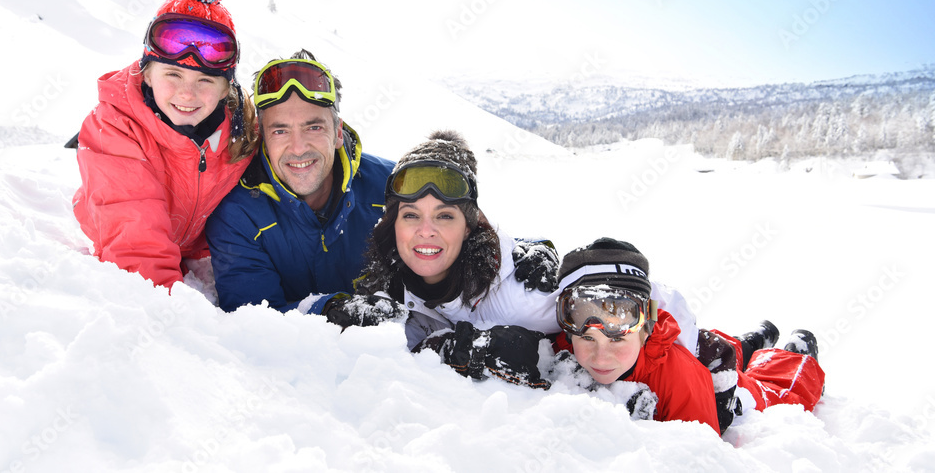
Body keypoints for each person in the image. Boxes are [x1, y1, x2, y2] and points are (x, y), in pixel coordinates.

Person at [326, 130, 699, 391]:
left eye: (444, 216)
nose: (425, 231)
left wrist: (697, 357)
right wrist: (330, 310)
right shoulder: (390, 283)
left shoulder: (527, 295)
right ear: (393, 225)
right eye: (410, 215)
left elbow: (652, 301)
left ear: (471, 226)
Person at [72, 0, 260, 292]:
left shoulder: (241, 132)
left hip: (196, 250)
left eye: (206, 80)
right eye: (172, 74)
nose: (187, 93)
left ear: (225, 88)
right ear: (146, 72)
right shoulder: (115, 128)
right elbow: (135, 243)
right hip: (128, 245)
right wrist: (173, 320)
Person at [550, 238, 826, 435]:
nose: (600, 356)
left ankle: (797, 356)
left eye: (617, 339)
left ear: (646, 329)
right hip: (699, 347)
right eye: (588, 339)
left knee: (775, 394)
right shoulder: (562, 345)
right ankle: (753, 342)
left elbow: (697, 450)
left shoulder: (680, 377)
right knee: (716, 347)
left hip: (709, 375)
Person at [205, 51, 395, 314]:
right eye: (280, 131)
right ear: (264, 140)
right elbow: (252, 323)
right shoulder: (237, 213)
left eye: (313, 127)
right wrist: (329, 311)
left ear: (338, 133)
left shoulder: (393, 189)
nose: (297, 148)